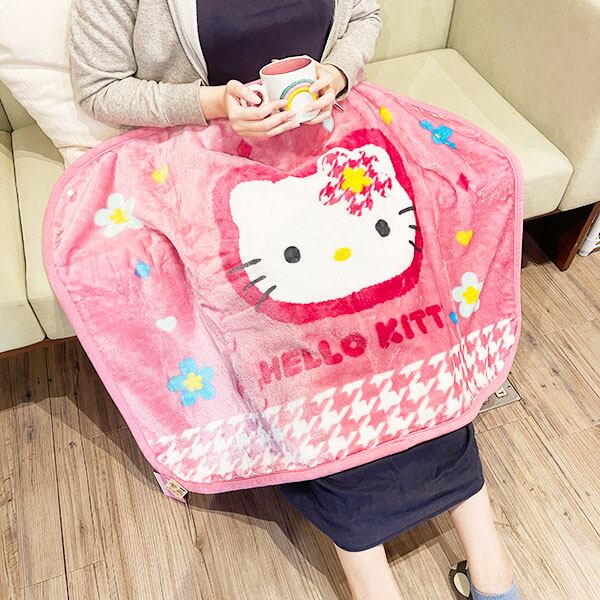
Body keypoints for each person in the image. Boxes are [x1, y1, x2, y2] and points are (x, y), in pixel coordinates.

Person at [69, 2, 521, 598]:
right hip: (212, 163)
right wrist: (212, 103)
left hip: (339, 136)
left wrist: (336, 74)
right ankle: (388, 580)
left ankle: (488, 563)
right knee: (305, 348)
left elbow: (364, 15)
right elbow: (99, 88)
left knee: (413, 316)